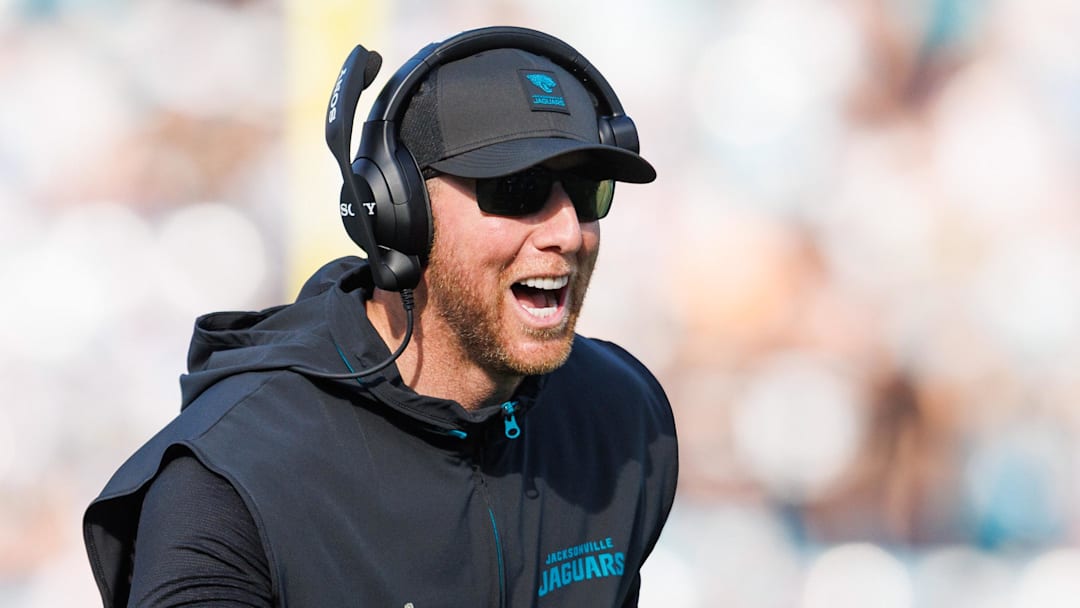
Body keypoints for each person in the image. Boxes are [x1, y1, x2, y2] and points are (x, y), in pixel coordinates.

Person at [83, 26, 678, 607]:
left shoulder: (623, 417)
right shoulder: (233, 479)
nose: (568, 232)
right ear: (398, 211)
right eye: (519, 190)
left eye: (587, 191)